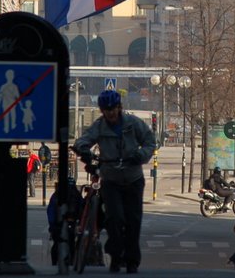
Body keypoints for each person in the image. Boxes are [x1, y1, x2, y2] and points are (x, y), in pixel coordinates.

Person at [73, 89, 156, 274]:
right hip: (110, 180)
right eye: (106, 109)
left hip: (133, 178)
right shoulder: (100, 126)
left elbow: (150, 141)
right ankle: (116, 256)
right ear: (102, 110)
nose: (110, 113)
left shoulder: (133, 124)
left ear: (119, 107)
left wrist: (140, 156)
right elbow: (83, 140)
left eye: (112, 109)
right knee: (115, 218)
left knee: (133, 221)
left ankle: (132, 260)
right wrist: (83, 150)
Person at [47, 178, 83, 266]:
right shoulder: (77, 194)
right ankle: (71, 263)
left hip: (57, 224)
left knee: (56, 244)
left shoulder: (56, 195)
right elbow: (81, 209)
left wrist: (52, 224)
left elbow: (50, 211)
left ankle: (54, 263)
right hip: (72, 222)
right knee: (71, 244)